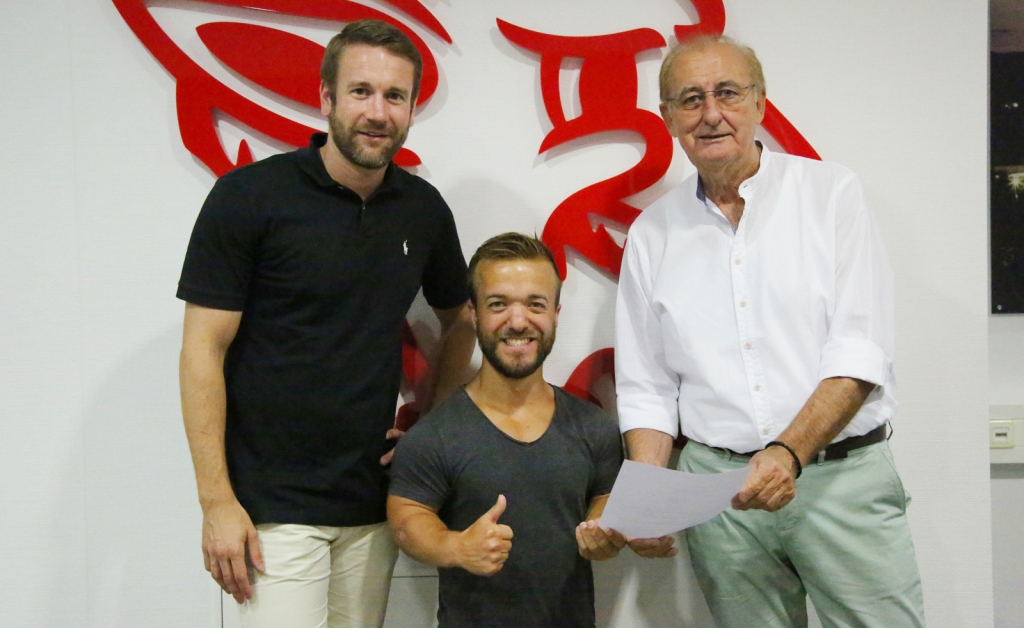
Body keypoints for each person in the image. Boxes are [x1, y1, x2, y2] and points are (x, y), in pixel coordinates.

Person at [614, 35, 926, 626]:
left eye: (728, 93)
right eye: (690, 99)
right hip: (721, 498)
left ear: (760, 102)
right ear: (668, 118)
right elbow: (646, 388)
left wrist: (787, 453)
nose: (711, 114)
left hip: (841, 480)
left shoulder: (831, 194)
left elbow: (859, 353)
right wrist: (649, 500)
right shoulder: (652, 234)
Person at [176, 19, 476, 628]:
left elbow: (462, 320)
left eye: (395, 96)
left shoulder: (422, 209)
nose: (377, 112)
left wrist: (431, 426)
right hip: (271, 508)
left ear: (411, 109)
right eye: (361, 91)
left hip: (373, 500)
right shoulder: (250, 197)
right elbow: (202, 348)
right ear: (326, 98)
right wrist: (216, 501)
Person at [387, 233, 625, 628]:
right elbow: (406, 521)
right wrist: (456, 547)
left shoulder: (595, 427)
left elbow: (605, 496)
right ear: (474, 313)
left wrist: (601, 531)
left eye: (535, 304)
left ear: (556, 314)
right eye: (498, 304)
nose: (518, 321)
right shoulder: (434, 436)